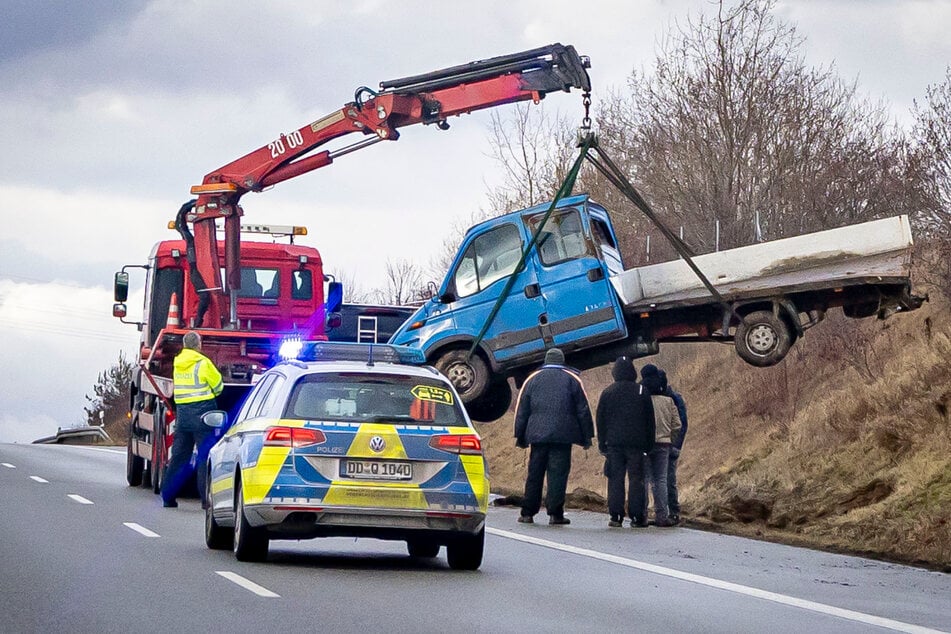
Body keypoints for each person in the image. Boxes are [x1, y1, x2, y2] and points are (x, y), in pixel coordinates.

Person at [514, 347, 594, 526]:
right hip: (563, 436)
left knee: (535, 474)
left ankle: (528, 512)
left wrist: (519, 435)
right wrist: (587, 436)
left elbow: (522, 410)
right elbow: (583, 410)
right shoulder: (572, 379)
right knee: (557, 475)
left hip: (537, 435)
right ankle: (555, 514)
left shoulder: (532, 379)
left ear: (546, 360)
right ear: (562, 360)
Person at [161, 330, 224, 509]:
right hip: (203, 415)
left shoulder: (178, 363)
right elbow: (218, 386)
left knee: (179, 457)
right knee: (205, 456)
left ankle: (168, 497)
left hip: (183, 416)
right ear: (198, 344)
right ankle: (206, 500)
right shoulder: (203, 363)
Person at [596, 357, 655, 528]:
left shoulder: (608, 392)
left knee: (615, 479)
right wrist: (649, 444)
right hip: (637, 444)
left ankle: (616, 516)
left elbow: (601, 420)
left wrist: (602, 443)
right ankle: (637, 516)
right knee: (636, 479)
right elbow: (649, 421)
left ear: (615, 372)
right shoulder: (641, 391)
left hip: (614, 444)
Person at [639, 364, 681, 527]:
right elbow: (677, 424)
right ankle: (662, 515)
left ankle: (642, 515)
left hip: (645, 445)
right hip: (664, 445)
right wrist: (671, 438)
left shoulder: (643, 400)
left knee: (645, 479)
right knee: (661, 480)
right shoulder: (668, 401)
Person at [659, 369, 688, 525]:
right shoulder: (672, 397)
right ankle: (666, 512)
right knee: (664, 479)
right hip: (667, 444)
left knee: (667, 479)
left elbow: (681, 423)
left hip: (670, 445)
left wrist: (676, 444)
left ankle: (673, 512)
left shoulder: (673, 398)